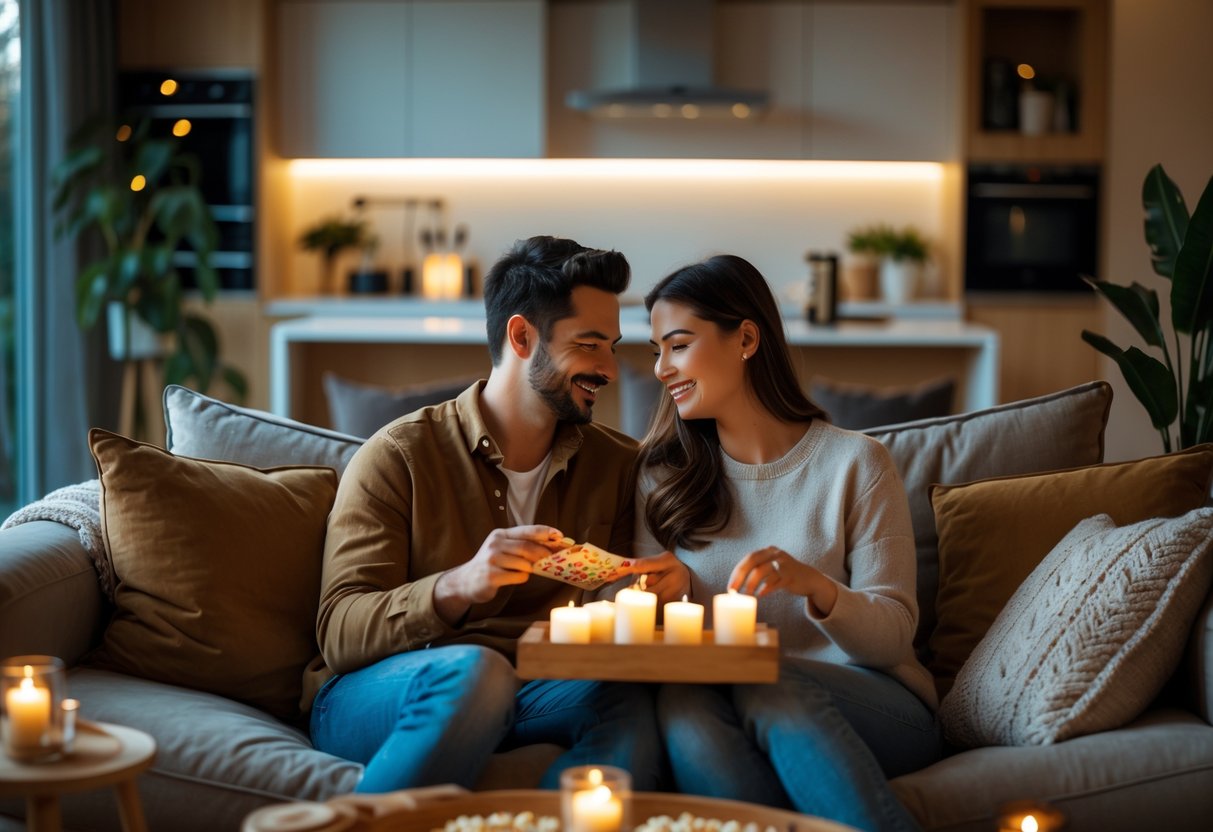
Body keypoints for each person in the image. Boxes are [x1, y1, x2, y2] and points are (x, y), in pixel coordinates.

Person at [309, 235, 663, 793]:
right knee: (477, 671)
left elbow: (608, 607)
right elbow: (340, 633)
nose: (610, 369)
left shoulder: (616, 465)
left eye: (613, 347)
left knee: (629, 699)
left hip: (537, 685)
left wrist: (638, 591)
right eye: (590, 345)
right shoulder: (400, 455)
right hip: (388, 690)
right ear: (522, 336)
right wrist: (458, 585)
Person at [629, 254, 941, 832]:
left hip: (879, 705)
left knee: (768, 680)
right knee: (682, 704)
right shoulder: (662, 477)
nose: (660, 368)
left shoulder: (856, 463)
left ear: (745, 338)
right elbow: (656, 642)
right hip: (732, 694)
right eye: (655, 351)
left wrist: (816, 588)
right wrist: (664, 598)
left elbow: (895, 634)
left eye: (677, 345)